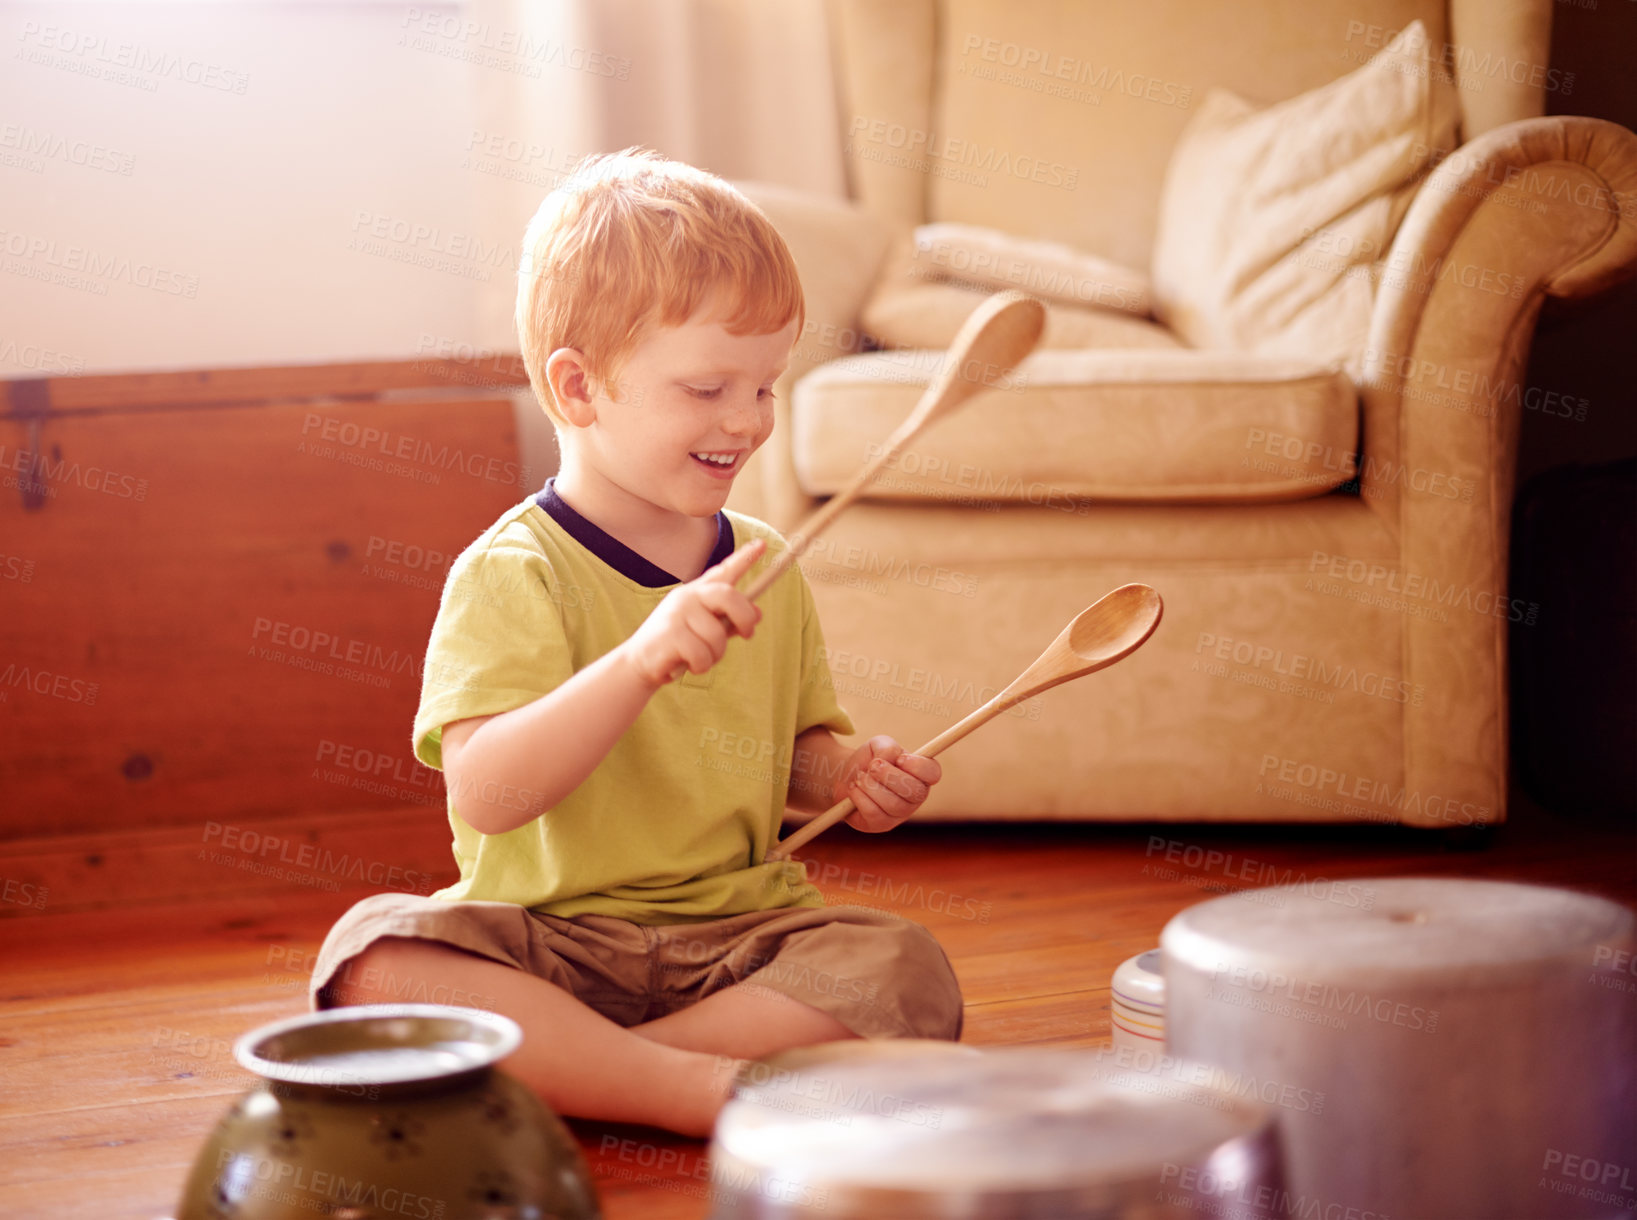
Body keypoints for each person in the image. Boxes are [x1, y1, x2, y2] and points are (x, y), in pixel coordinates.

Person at [307, 147, 964, 1136]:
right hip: (547, 940)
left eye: (766, 385)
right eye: (707, 388)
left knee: (904, 965)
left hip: (737, 937)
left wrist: (847, 775)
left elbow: (792, 753)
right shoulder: (512, 571)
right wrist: (638, 660)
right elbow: (489, 793)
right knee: (372, 957)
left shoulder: (767, 562)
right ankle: (693, 1087)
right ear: (578, 388)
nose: (747, 421)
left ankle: (588, 1072)